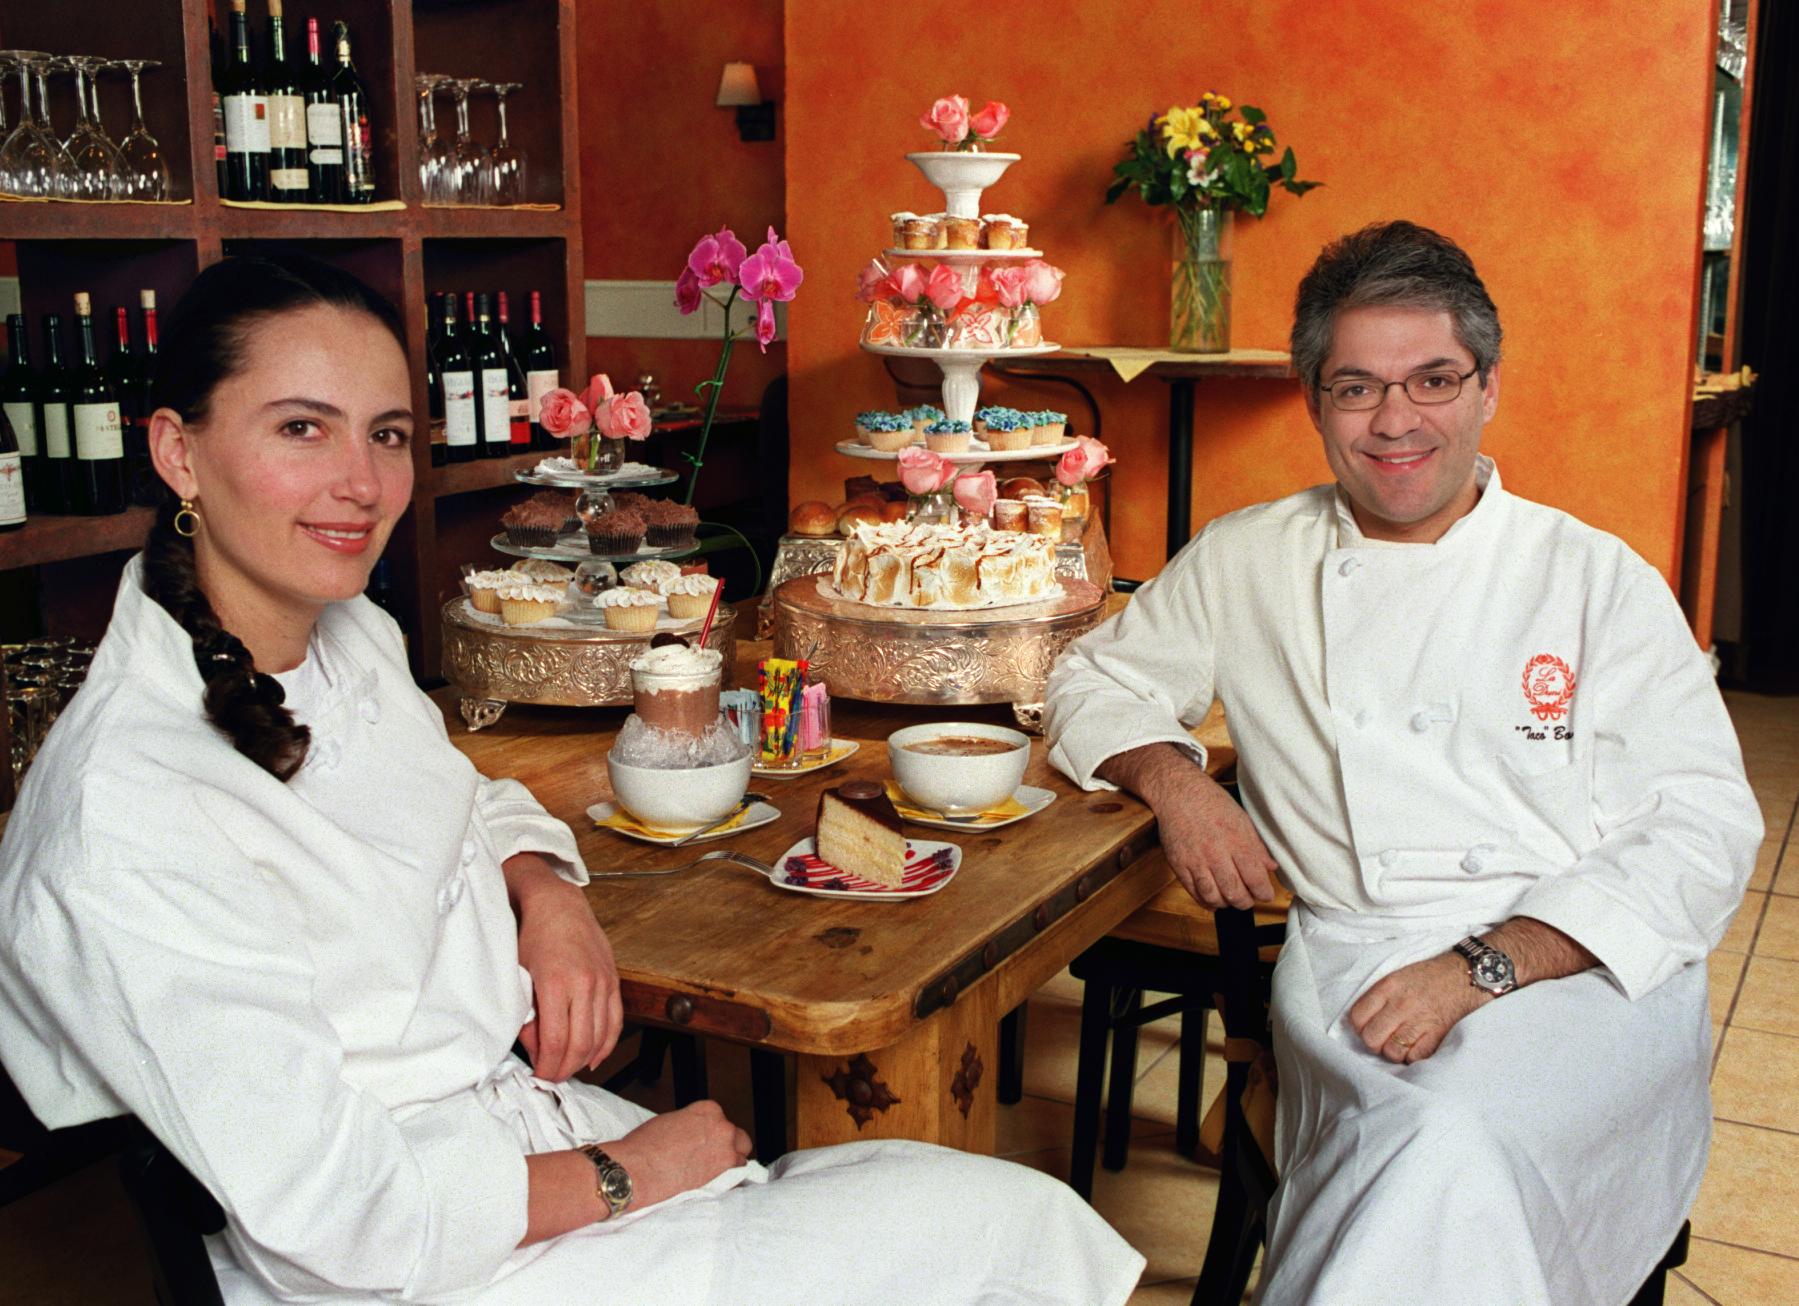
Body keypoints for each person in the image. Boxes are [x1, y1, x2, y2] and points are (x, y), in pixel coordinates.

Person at [0, 256, 1145, 1306]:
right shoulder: (131, 807)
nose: (360, 482)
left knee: (994, 1219)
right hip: (420, 1262)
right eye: (302, 427)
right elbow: (336, 1212)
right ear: (174, 450)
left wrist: (546, 894)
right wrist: (625, 1171)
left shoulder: (341, 634)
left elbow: (466, 796)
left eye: (389, 434)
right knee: (1003, 1234)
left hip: (517, 1150)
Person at [1043, 221, 1760, 1304]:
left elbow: (1703, 826)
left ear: (1486, 390)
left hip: (1585, 960)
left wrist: (1490, 963)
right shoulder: (1249, 555)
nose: (1394, 422)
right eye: (1354, 387)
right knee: (1435, 1140)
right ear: (1312, 401)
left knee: (1453, 1146)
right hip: (1358, 955)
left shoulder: (1592, 577)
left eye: (1431, 380)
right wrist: (1175, 779)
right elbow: (1092, 681)